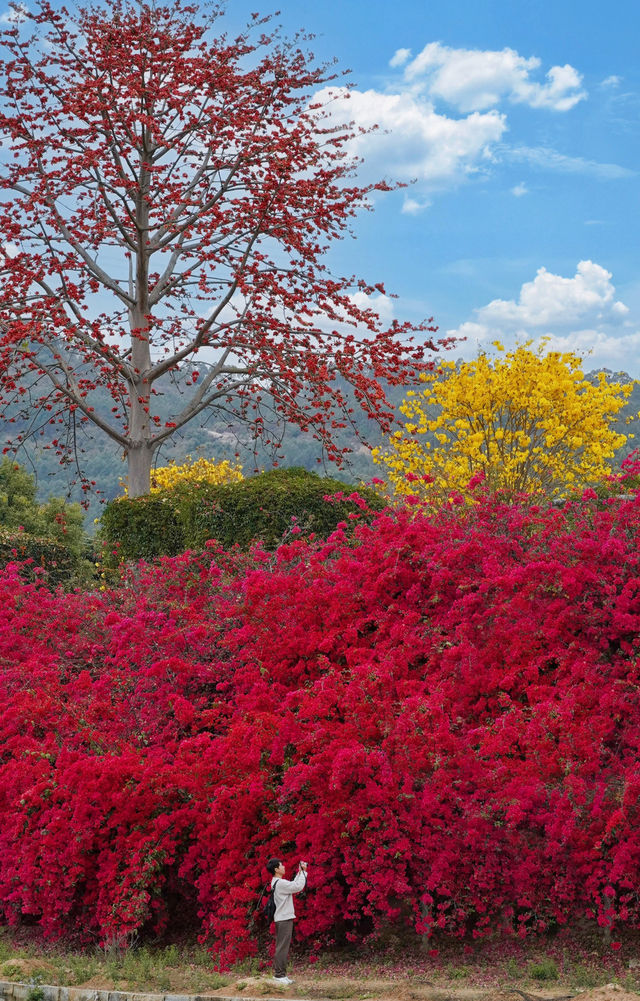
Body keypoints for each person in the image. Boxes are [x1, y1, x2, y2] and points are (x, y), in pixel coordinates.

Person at [265, 856, 308, 985]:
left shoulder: (278, 882)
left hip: (282, 918)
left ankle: (281, 975)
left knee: (282, 946)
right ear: (276, 869)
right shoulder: (281, 883)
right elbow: (297, 886)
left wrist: (300, 872)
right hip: (284, 919)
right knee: (282, 947)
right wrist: (304, 872)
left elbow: (293, 885)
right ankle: (279, 975)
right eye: (281, 865)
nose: (284, 867)